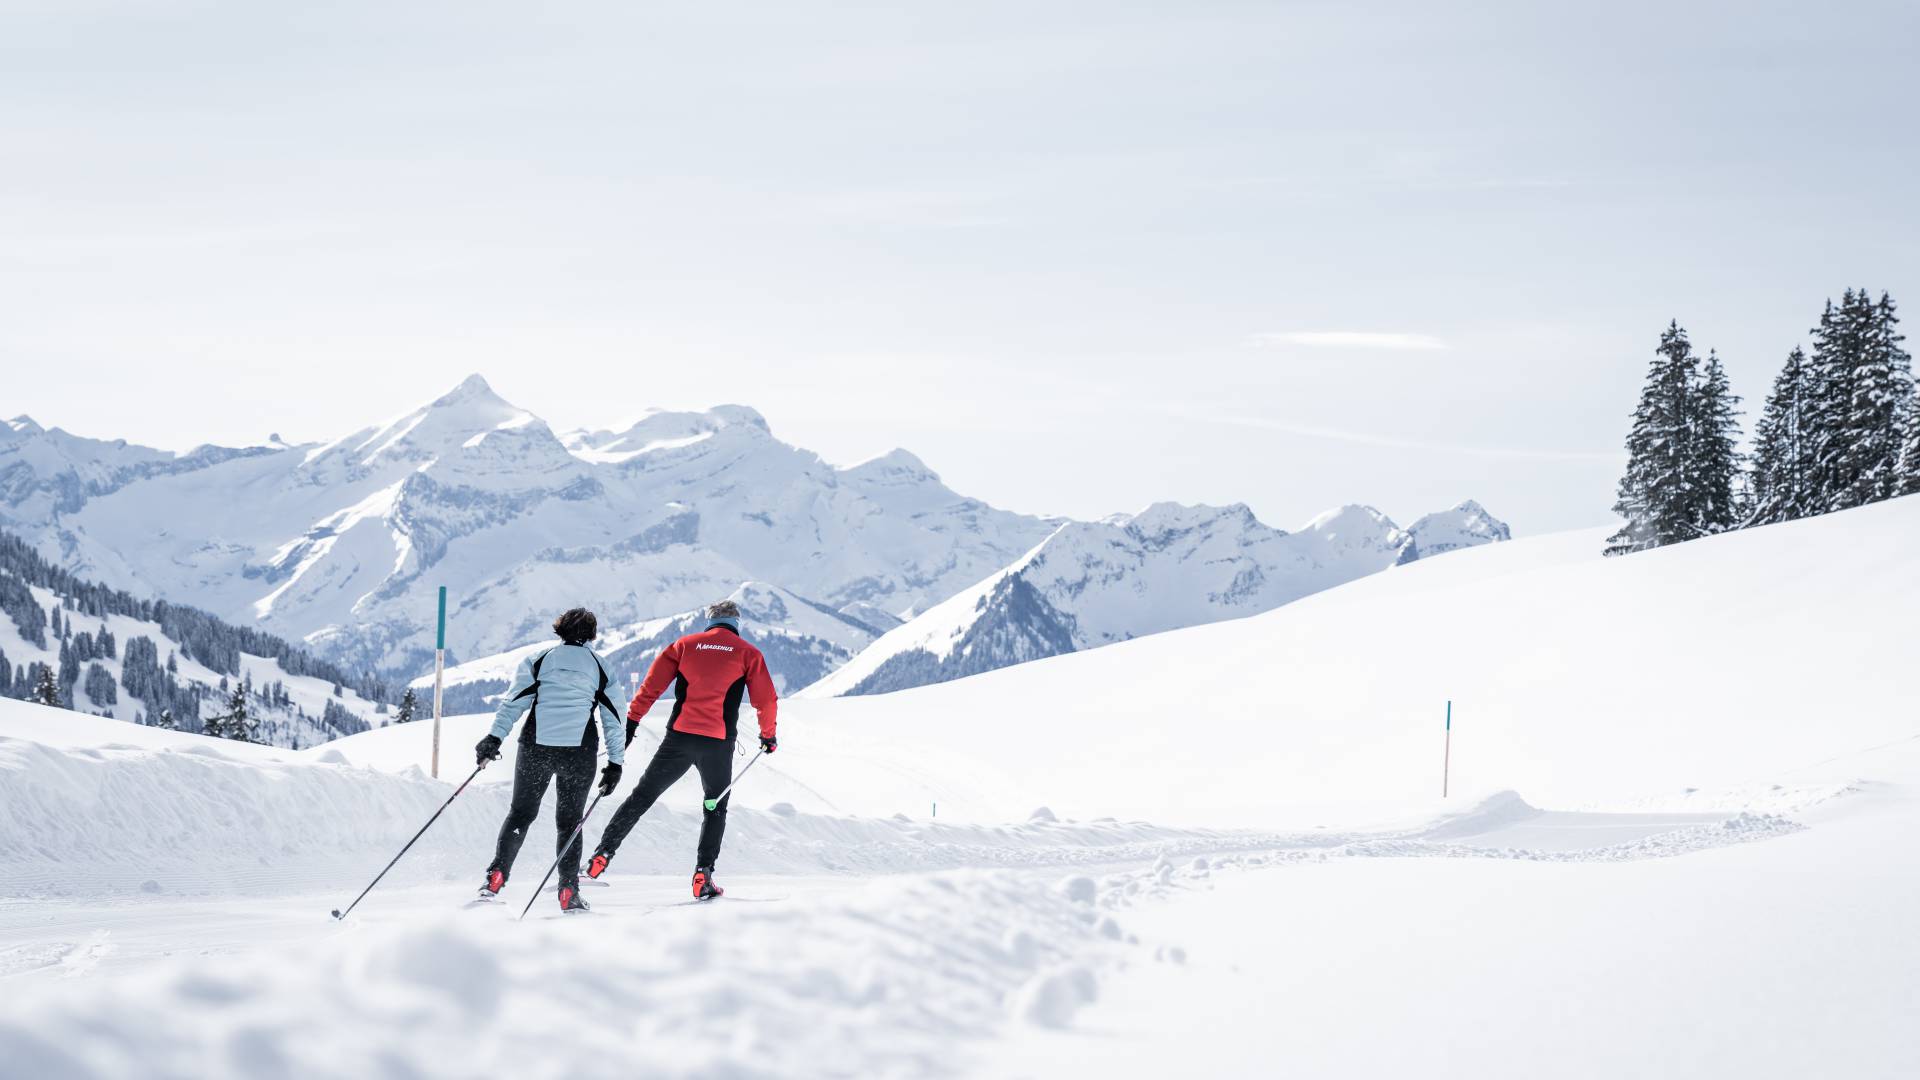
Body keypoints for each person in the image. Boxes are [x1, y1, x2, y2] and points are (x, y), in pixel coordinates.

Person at [588, 599, 778, 900]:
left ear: (710, 620)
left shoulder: (684, 645)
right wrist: (769, 736)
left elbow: (650, 688)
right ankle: (703, 874)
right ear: (736, 624)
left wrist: (632, 724)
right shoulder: (749, 654)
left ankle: (602, 856)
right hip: (718, 744)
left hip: (679, 739)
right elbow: (766, 701)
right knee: (714, 807)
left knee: (642, 796)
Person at [474, 607, 625, 913]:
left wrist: (493, 738)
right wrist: (615, 763)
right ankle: (568, 889)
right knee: (570, 824)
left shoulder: (539, 661)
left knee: (520, 814)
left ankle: (496, 875)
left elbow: (513, 703)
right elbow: (614, 719)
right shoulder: (602, 667)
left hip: (536, 748)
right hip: (579, 754)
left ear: (560, 630)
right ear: (592, 635)